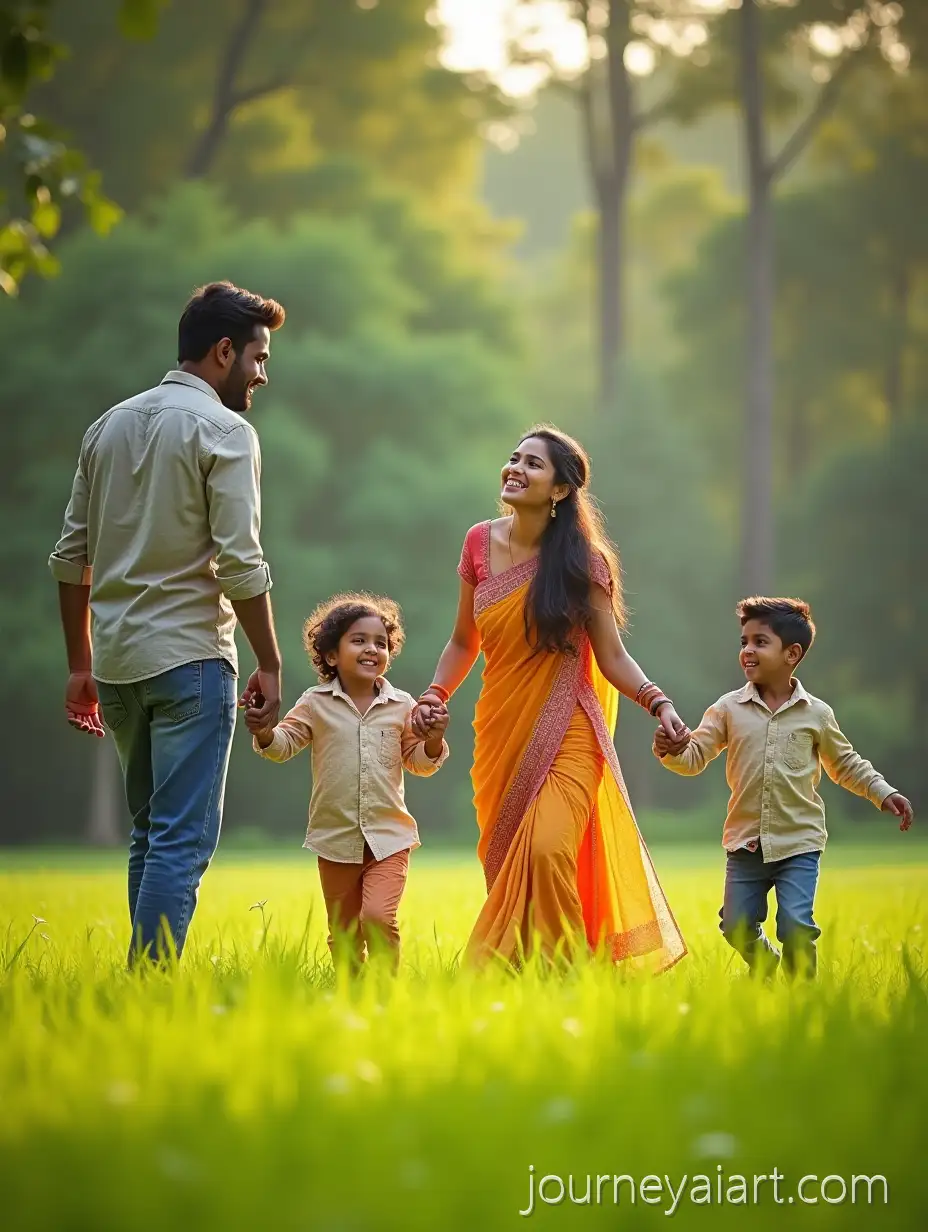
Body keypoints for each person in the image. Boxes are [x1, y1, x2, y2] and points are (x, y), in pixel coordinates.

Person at [49, 281, 286, 964]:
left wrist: (79, 663)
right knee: (181, 840)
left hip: (119, 667)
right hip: (191, 661)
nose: (263, 374)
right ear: (223, 352)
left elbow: (71, 558)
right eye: (258, 357)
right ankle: (149, 984)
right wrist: (269, 660)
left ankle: (139, 985)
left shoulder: (108, 425)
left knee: (151, 834)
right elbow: (242, 564)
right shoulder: (226, 431)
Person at [414, 425, 689, 971]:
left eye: (533, 464)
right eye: (513, 458)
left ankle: (569, 975)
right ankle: (533, 976)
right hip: (500, 727)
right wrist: (434, 693)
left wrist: (658, 702)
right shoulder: (477, 543)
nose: (515, 468)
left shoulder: (585, 564)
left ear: (560, 490)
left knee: (546, 851)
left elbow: (611, 658)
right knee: (510, 857)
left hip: (569, 727)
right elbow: (464, 641)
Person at [654, 597, 915, 978]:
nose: (747, 651)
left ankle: (801, 997)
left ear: (792, 653)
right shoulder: (728, 709)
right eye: (744, 641)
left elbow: (845, 764)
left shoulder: (817, 714)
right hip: (745, 844)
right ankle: (770, 970)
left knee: (796, 927)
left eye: (760, 642)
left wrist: (883, 792)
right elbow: (694, 757)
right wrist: (670, 749)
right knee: (736, 926)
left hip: (799, 843)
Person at [247, 594, 449, 971]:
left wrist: (434, 740)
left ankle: (386, 990)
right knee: (342, 931)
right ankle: (350, 991)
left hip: (390, 837)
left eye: (381, 643)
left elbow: (418, 763)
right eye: (358, 640)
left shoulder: (402, 705)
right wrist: (263, 732)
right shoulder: (315, 703)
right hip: (335, 837)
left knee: (376, 917)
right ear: (330, 655)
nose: (372, 648)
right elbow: (283, 745)